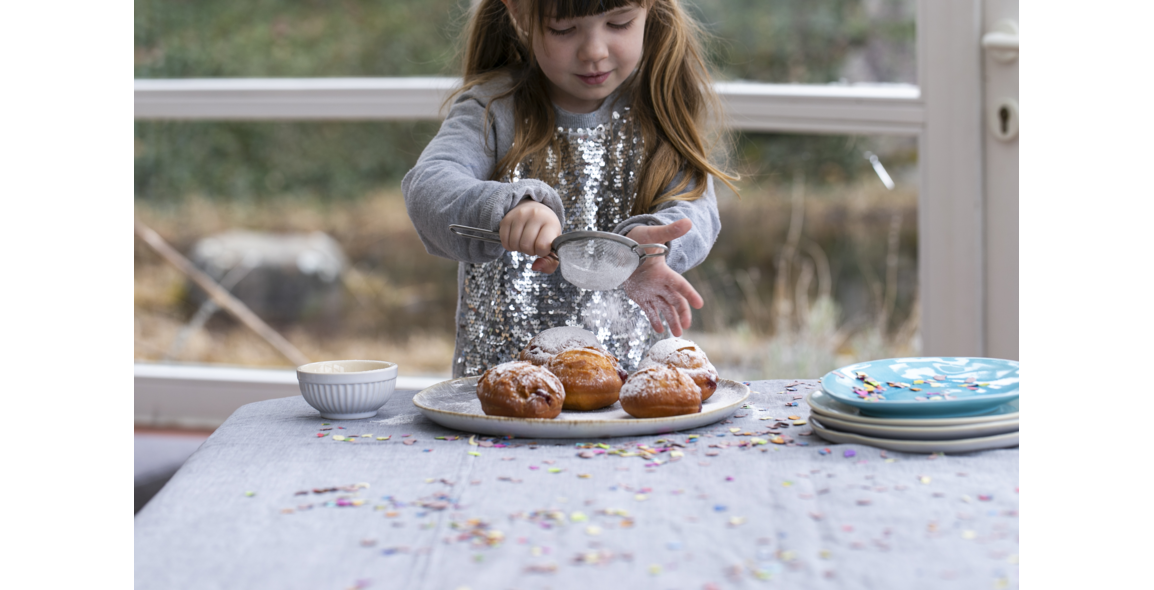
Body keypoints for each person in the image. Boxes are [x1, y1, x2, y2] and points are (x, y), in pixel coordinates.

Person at [403, 0, 738, 378]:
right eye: (564, 29)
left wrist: (648, 247)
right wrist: (507, 207)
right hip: (496, 399)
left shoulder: (659, 110)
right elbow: (428, 186)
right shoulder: (491, 109)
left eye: (619, 23)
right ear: (518, 14)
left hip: (623, 403)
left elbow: (695, 209)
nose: (594, 51)